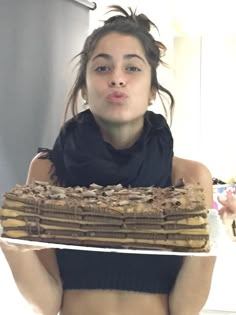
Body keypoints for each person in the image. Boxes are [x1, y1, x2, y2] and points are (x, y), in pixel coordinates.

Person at [0, 5, 216, 315]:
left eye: (132, 68)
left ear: (152, 90)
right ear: (84, 89)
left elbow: (185, 308)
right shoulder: (48, 171)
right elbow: (48, 303)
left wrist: (210, 241)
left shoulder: (189, 179)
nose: (117, 79)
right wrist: (11, 243)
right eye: (102, 68)